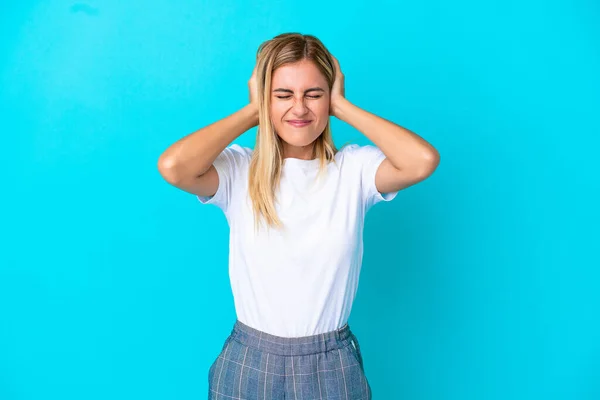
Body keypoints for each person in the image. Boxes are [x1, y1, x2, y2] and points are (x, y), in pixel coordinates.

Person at [158, 32, 439, 400]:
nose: (300, 108)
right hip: (249, 360)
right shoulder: (239, 170)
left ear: (329, 99)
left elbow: (422, 161)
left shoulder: (353, 170)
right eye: (283, 95)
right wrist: (252, 111)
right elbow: (174, 166)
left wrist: (343, 106)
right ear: (264, 98)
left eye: (314, 94)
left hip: (330, 363)